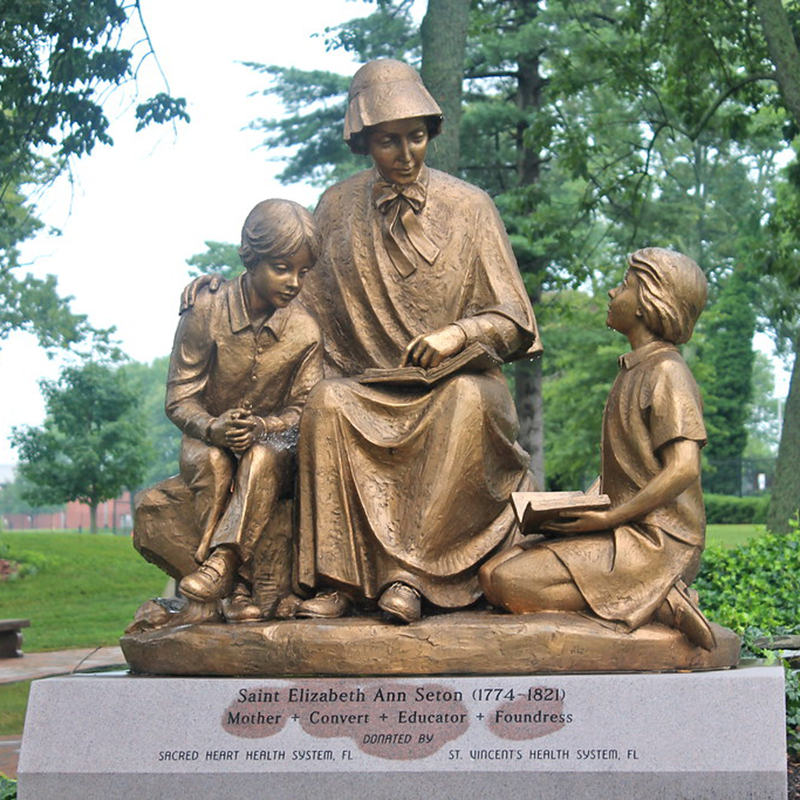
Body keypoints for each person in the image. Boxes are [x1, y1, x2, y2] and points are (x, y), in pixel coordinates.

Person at [292, 59, 541, 623]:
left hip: (459, 385)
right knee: (326, 403)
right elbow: (295, 296)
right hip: (369, 387)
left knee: (464, 402)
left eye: (416, 137)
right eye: (388, 141)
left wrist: (459, 334)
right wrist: (230, 289)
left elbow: (515, 321)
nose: (405, 155)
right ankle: (340, 580)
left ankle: (411, 577)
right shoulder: (335, 207)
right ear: (363, 141)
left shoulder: (470, 206)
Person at [479, 247, 716, 649]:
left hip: (658, 541)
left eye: (624, 285)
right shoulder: (634, 369)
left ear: (647, 303)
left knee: (508, 582)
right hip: (622, 528)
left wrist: (609, 519)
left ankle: (657, 599)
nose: (611, 292)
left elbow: (683, 469)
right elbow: (627, 470)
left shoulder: (668, 373)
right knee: (490, 573)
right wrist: (578, 508)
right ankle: (641, 597)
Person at [168, 198, 322, 621]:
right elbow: (179, 398)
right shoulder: (206, 310)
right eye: (282, 268)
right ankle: (235, 592)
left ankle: (225, 567)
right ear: (251, 260)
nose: (293, 282)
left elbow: (304, 408)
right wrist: (213, 428)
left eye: (303, 272)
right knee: (217, 466)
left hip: (272, 446)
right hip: (206, 439)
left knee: (261, 457)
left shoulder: (305, 330)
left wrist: (263, 427)